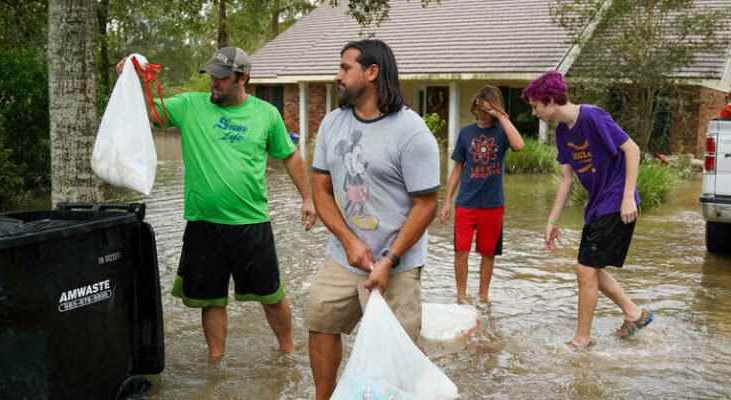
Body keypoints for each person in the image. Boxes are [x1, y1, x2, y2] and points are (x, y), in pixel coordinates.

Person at [117, 47, 317, 362]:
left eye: (222, 78)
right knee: (211, 300)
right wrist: (134, 80)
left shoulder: (266, 114)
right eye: (212, 76)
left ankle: (288, 353)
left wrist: (307, 198)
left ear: (243, 79)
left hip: (251, 224)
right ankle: (216, 363)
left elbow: (289, 155)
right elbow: (150, 114)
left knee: (271, 296)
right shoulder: (190, 106)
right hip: (203, 224)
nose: (215, 83)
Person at [305, 39, 440, 399]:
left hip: (395, 263)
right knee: (319, 318)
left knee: (399, 352)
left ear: (371, 72)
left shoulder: (411, 132)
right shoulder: (333, 123)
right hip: (343, 256)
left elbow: (426, 205)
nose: (337, 76)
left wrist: (390, 259)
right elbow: (320, 188)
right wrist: (349, 241)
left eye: (345, 68)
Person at [522, 71, 652, 348]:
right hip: (597, 206)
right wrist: (551, 220)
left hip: (616, 200)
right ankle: (634, 313)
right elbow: (567, 179)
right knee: (589, 268)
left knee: (584, 269)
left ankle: (582, 339)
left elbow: (632, 149)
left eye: (535, 106)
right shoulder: (561, 133)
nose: (534, 112)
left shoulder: (592, 116)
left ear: (550, 100)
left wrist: (628, 196)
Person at [439, 86, 525, 304]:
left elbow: (519, 145)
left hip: (493, 204)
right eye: (480, 109)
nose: (484, 114)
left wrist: (501, 117)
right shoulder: (466, 133)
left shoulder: (502, 132)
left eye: (489, 110)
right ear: (475, 107)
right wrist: (447, 201)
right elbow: (457, 167)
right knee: (461, 251)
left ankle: (483, 297)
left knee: (488, 253)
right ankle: (461, 296)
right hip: (466, 203)